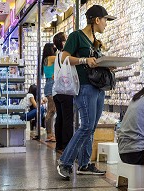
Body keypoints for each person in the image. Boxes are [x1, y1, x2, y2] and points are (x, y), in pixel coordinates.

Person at [57, 5, 116, 178]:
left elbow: (94, 63)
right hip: (84, 87)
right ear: (97, 20)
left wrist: (107, 64)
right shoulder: (77, 36)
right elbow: (64, 57)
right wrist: (84, 59)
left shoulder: (95, 41)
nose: (106, 23)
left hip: (98, 88)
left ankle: (84, 164)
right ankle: (65, 162)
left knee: (91, 127)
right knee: (86, 126)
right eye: (105, 20)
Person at [52, 32, 73, 151]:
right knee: (67, 119)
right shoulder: (65, 55)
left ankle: (59, 145)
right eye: (66, 39)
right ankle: (67, 146)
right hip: (65, 91)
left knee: (60, 118)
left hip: (57, 91)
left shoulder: (58, 56)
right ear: (63, 42)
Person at [41, 43, 57, 142]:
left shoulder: (46, 59)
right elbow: (62, 58)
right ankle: (49, 134)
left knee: (51, 111)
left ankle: (50, 134)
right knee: (51, 111)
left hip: (49, 84)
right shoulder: (51, 58)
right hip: (51, 85)